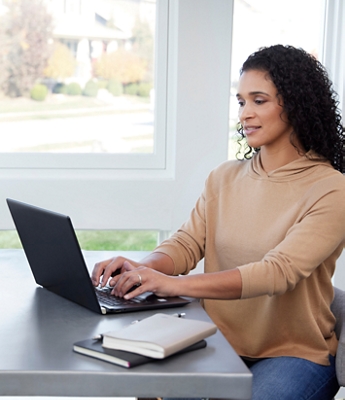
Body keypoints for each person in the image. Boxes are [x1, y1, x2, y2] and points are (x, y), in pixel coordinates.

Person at [92, 44, 345, 400]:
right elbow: (186, 244)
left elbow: (277, 272)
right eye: (241, 101)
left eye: (259, 100)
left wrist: (172, 285)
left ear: (297, 104)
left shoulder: (331, 188)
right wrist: (142, 268)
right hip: (214, 340)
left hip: (294, 353)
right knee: (148, 389)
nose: (245, 113)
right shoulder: (224, 177)